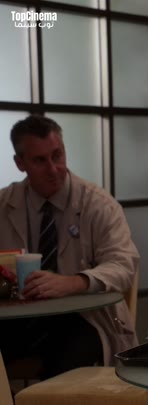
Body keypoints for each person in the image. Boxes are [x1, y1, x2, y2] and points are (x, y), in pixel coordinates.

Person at [0, 115, 139, 377]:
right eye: (40, 160)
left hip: (84, 318)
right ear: (20, 163)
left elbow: (124, 265)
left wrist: (74, 282)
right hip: (18, 318)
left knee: (68, 357)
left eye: (58, 155)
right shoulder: (4, 203)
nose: (53, 169)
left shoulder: (98, 204)